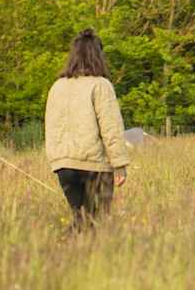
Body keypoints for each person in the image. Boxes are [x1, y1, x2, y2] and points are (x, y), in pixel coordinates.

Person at [44, 29, 130, 229]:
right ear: (98, 56)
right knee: (96, 222)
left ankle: (67, 253)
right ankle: (91, 257)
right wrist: (120, 164)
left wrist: (56, 161)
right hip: (94, 166)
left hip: (63, 165)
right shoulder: (101, 85)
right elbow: (111, 128)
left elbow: (51, 126)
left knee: (80, 219)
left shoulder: (57, 86)